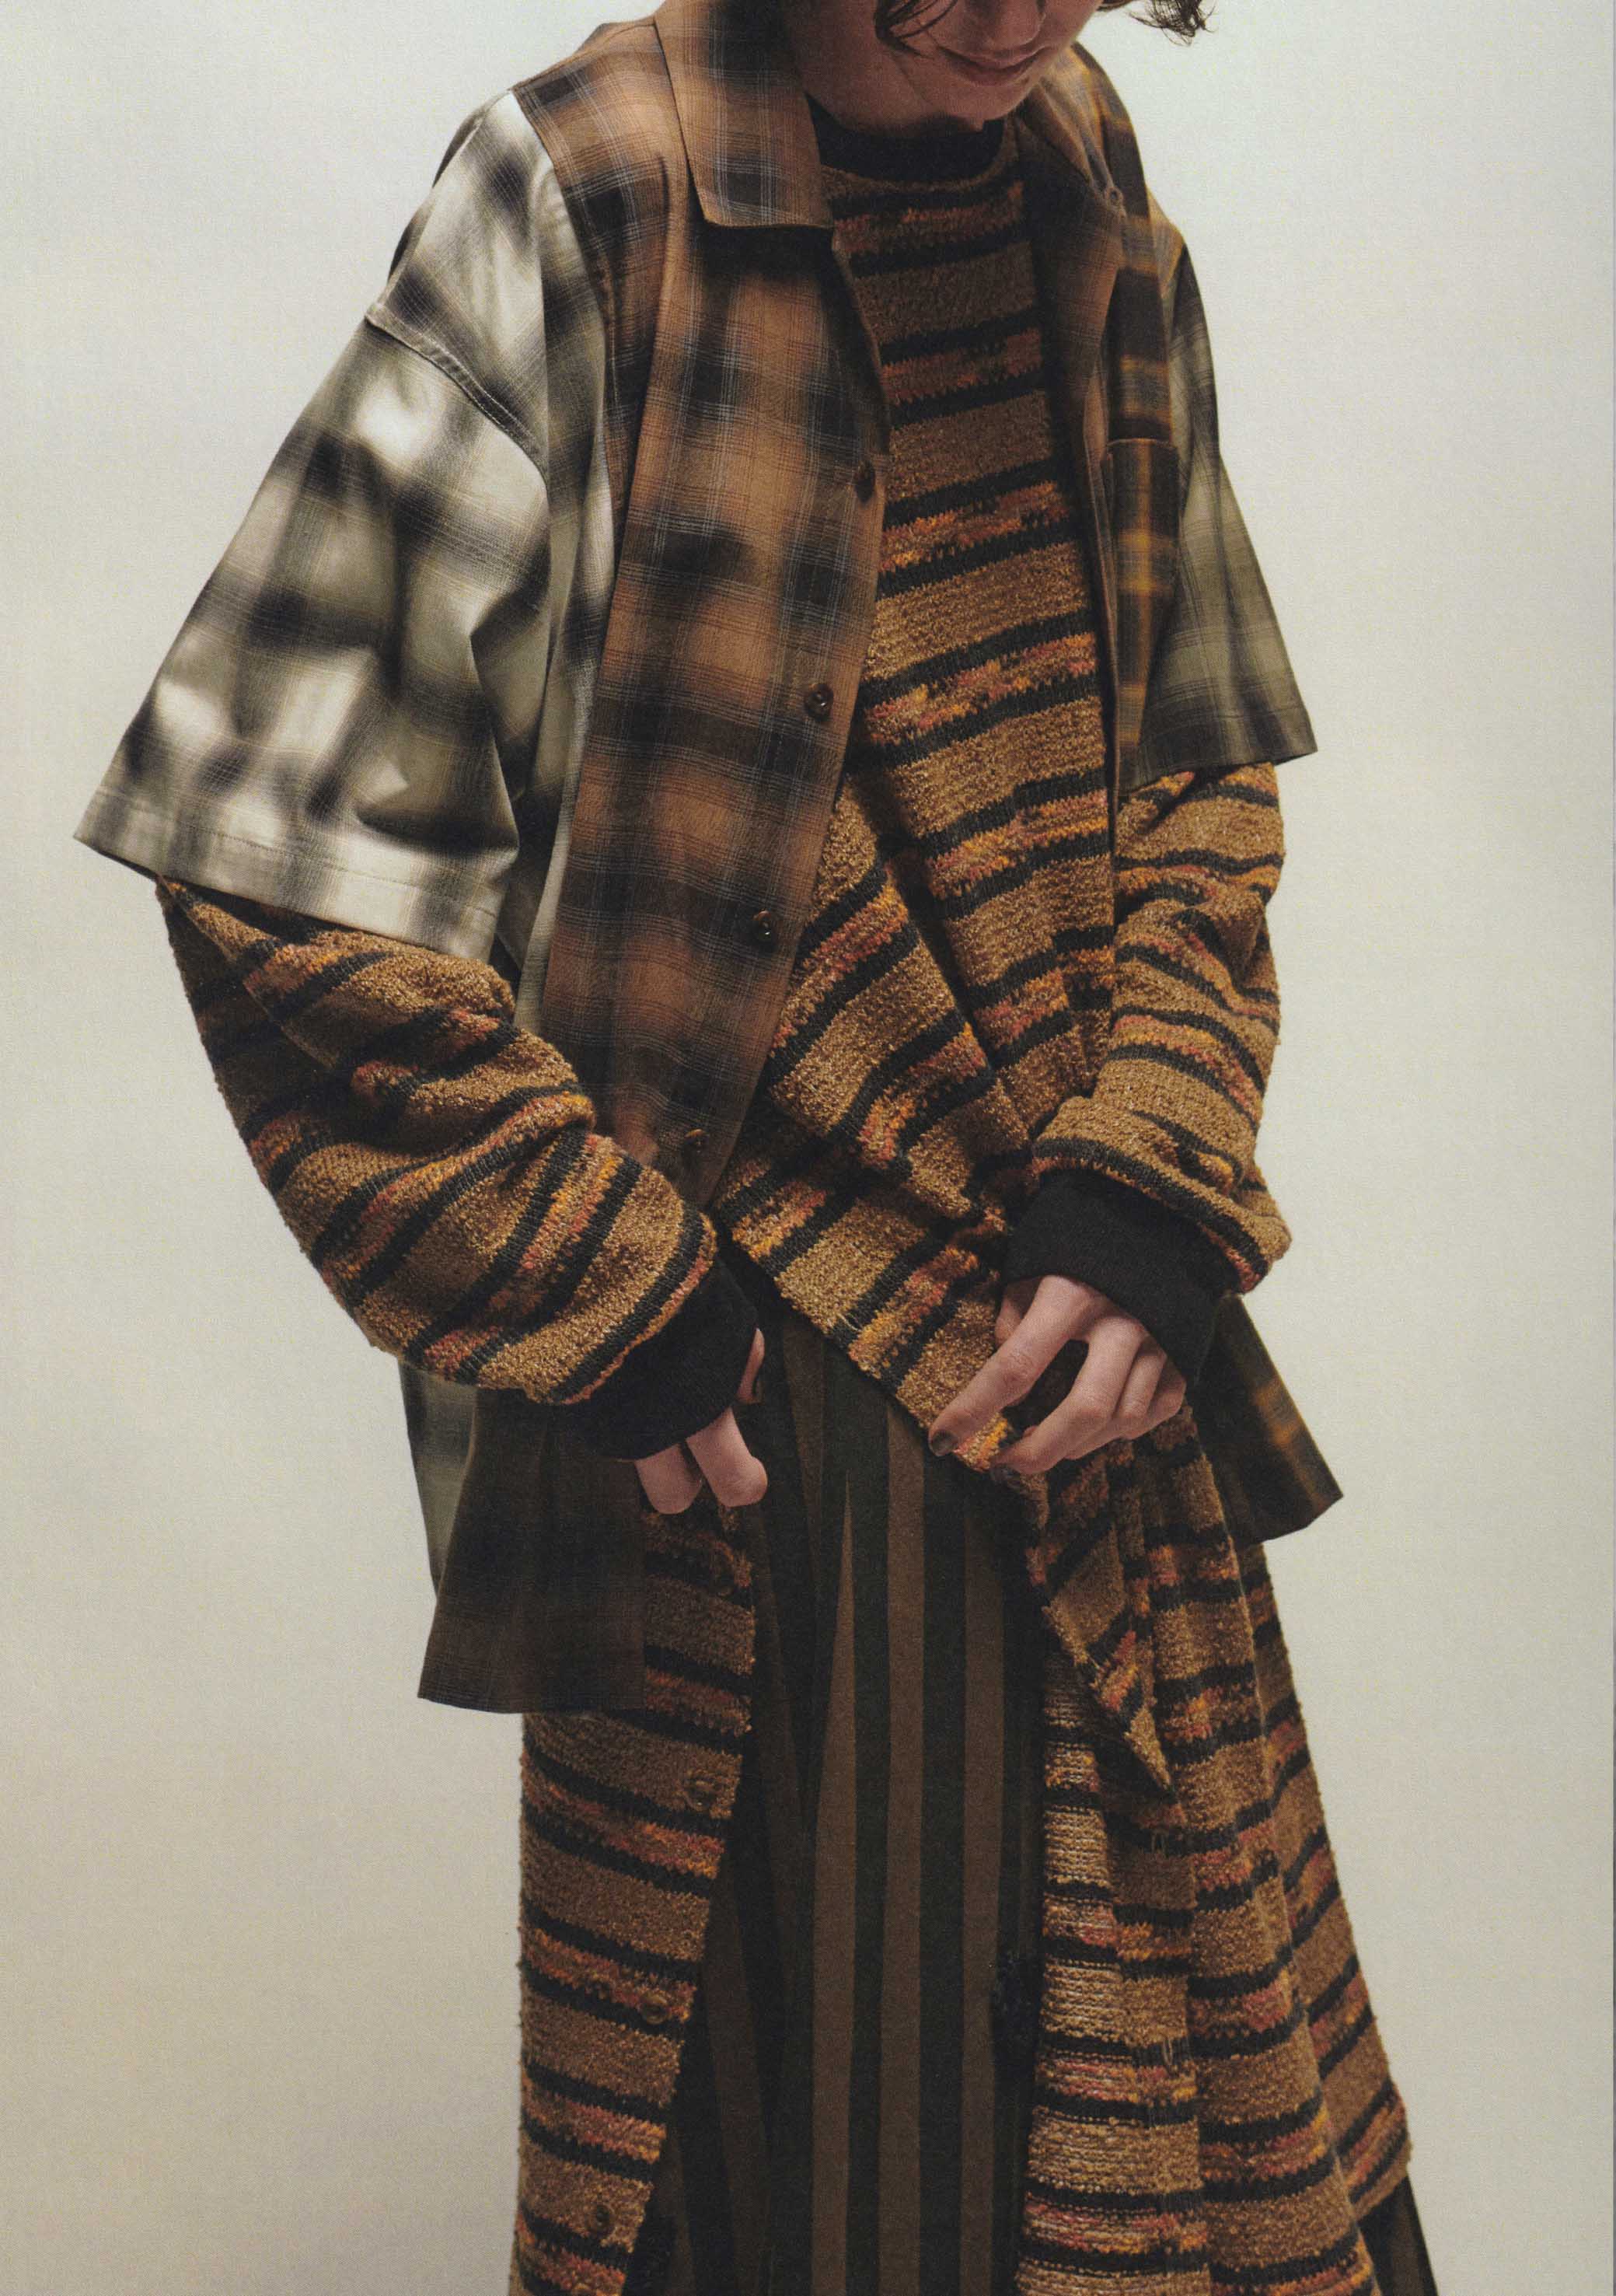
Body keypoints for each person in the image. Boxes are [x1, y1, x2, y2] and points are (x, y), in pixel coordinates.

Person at [73, 0, 1443, 2289]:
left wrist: (1161, 1163)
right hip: (764, 1434)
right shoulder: (584, 193)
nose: (1012, 19)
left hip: (1103, 1372)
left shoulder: (1080, 172)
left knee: (1210, 2122)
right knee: (833, 2180)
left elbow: (1203, 759)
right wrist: (591, 1280)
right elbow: (266, 841)